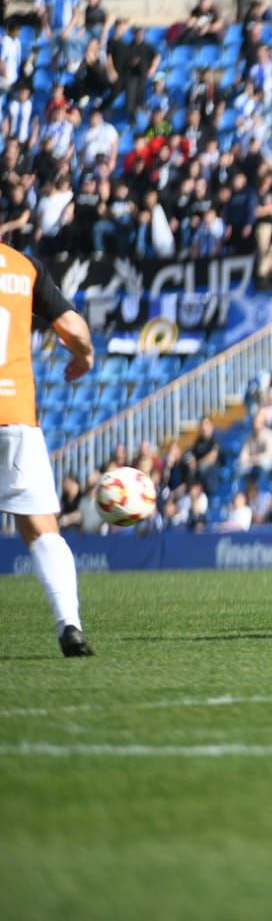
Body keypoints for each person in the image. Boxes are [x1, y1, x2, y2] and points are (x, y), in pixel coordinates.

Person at [0, 243, 96, 656]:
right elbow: (73, 328)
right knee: (42, 528)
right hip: (16, 413)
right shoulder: (24, 266)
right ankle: (69, 625)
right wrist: (85, 356)